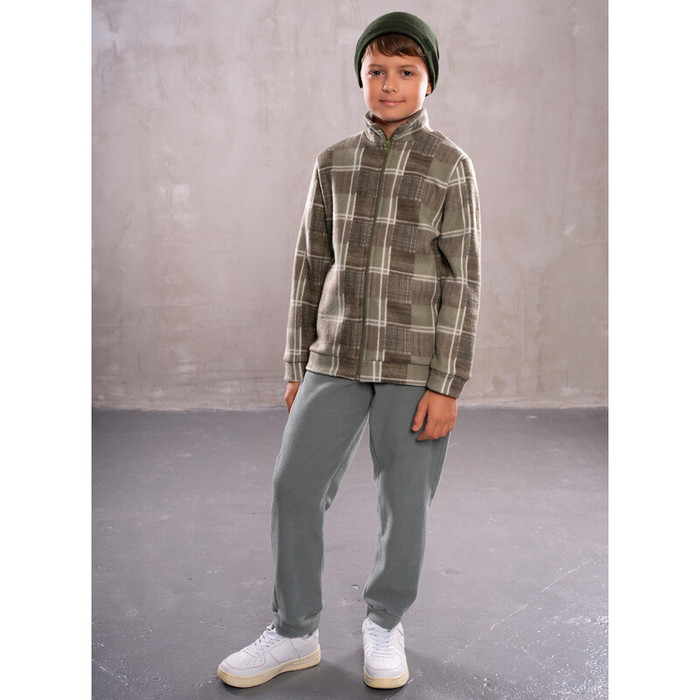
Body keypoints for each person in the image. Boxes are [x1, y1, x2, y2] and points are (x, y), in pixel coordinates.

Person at [217, 10, 481, 690]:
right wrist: (296, 365)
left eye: (405, 72)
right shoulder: (332, 162)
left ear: (427, 81)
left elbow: (463, 282)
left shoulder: (450, 166)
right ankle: (293, 632)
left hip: (414, 365)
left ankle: (384, 623)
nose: (390, 85)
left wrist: (447, 384)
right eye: (376, 72)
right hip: (333, 357)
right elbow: (310, 266)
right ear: (361, 78)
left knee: (405, 501)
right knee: (293, 486)